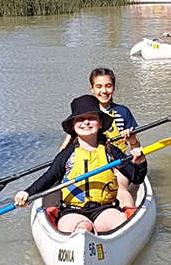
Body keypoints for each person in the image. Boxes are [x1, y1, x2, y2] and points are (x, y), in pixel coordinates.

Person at [14, 95, 147, 233]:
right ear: (73, 125)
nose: (86, 123)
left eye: (92, 118)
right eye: (80, 119)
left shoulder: (112, 152)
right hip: (72, 212)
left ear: (100, 123)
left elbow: (137, 178)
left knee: (120, 220)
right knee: (82, 228)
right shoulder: (66, 154)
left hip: (105, 209)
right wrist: (28, 193)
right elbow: (48, 178)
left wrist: (140, 161)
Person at [59, 69, 142, 207]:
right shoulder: (83, 112)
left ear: (113, 88)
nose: (104, 91)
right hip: (86, 163)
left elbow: (136, 147)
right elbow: (65, 148)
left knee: (119, 187)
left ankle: (126, 216)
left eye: (108, 86)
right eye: (99, 86)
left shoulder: (122, 112)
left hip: (117, 165)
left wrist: (132, 140)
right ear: (92, 88)